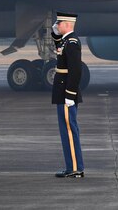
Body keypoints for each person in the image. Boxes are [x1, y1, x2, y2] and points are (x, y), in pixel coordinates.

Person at [51, 12, 84, 178]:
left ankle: (75, 168)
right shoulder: (66, 41)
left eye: (59, 23)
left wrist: (70, 95)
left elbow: (76, 70)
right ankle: (72, 166)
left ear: (68, 24)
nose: (57, 26)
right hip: (62, 90)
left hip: (66, 91)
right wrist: (55, 35)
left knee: (69, 129)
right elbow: (59, 49)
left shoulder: (72, 42)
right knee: (66, 130)